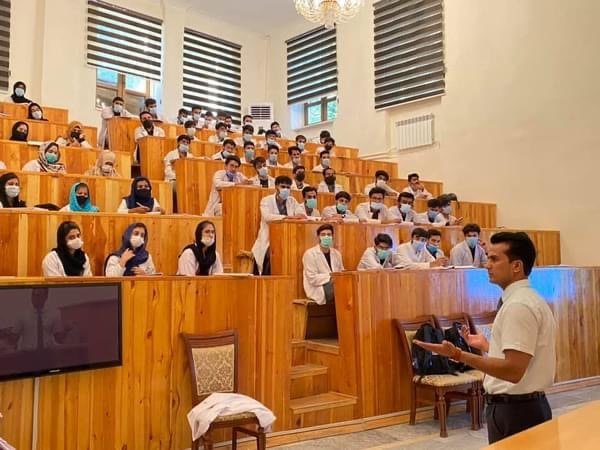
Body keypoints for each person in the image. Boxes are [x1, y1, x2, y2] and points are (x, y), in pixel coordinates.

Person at [414, 232, 556, 444]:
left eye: (494, 259)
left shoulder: (518, 306)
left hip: (517, 412)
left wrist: (458, 355)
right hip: (524, 407)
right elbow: (524, 356)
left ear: (516, 266)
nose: (487, 265)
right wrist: (489, 346)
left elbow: (513, 371)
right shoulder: (527, 299)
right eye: (487, 257)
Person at [251, 175, 303, 275]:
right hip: (269, 239)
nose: (286, 189)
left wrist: (300, 216)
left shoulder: (292, 201)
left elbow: (301, 215)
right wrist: (286, 218)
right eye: (283, 186)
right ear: (276, 187)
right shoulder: (266, 200)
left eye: (288, 187)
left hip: (288, 238)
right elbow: (267, 217)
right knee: (271, 254)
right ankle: (268, 280)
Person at [302, 224, 344, 305]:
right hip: (319, 288)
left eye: (329, 234)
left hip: (336, 284)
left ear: (332, 237)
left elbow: (341, 272)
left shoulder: (337, 253)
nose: (326, 237)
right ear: (318, 237)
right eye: (323, 234)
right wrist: (330, 277)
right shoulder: (310, 254)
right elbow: (312, 278)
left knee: (348, 285)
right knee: (342, 288)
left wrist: (338, 277)